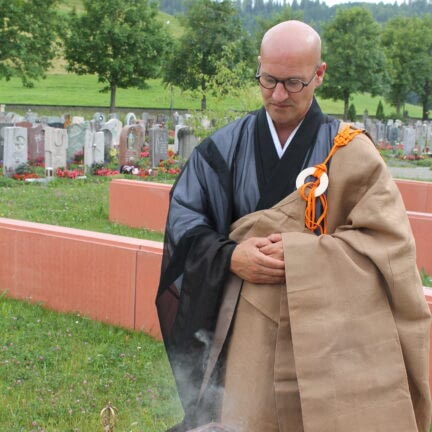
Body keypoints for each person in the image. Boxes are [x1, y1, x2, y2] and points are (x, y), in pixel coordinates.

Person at [156, 20, 431, 432]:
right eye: (268, 81)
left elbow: (387, 245)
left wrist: (304, 257)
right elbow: (186, 222)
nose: (278, 95)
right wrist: (231, 256)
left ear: (319, 74)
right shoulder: (224, 149)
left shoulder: (350, 153)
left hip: (326, 340)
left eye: (293, 83)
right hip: (244, 332)